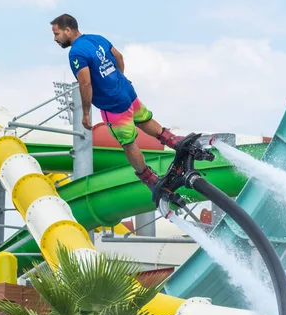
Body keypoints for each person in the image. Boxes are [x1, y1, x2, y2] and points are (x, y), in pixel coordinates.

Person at [50, 14, 185, 191]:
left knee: (128, 144)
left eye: (57, 34)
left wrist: (85, 113)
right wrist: (119, 78)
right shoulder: (96, 38)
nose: (55, 39)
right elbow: (119, 57)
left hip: (113, 104)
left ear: (68, 30)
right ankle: (176, 143)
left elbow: (85, 83)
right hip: (127, 93)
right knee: (144, 120)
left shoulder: (76, 53)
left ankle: (150, 179)